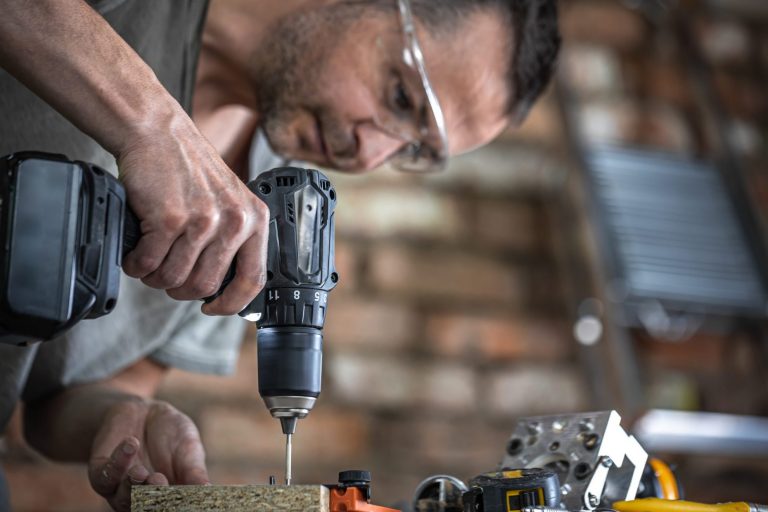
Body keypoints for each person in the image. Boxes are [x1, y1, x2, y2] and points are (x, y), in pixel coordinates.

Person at [0, 0, 560, 510]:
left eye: (411, 147)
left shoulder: (275, 207)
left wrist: (123, 417)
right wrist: (151, 124)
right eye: (400, 98)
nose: (368, 155)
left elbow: (56, 401)